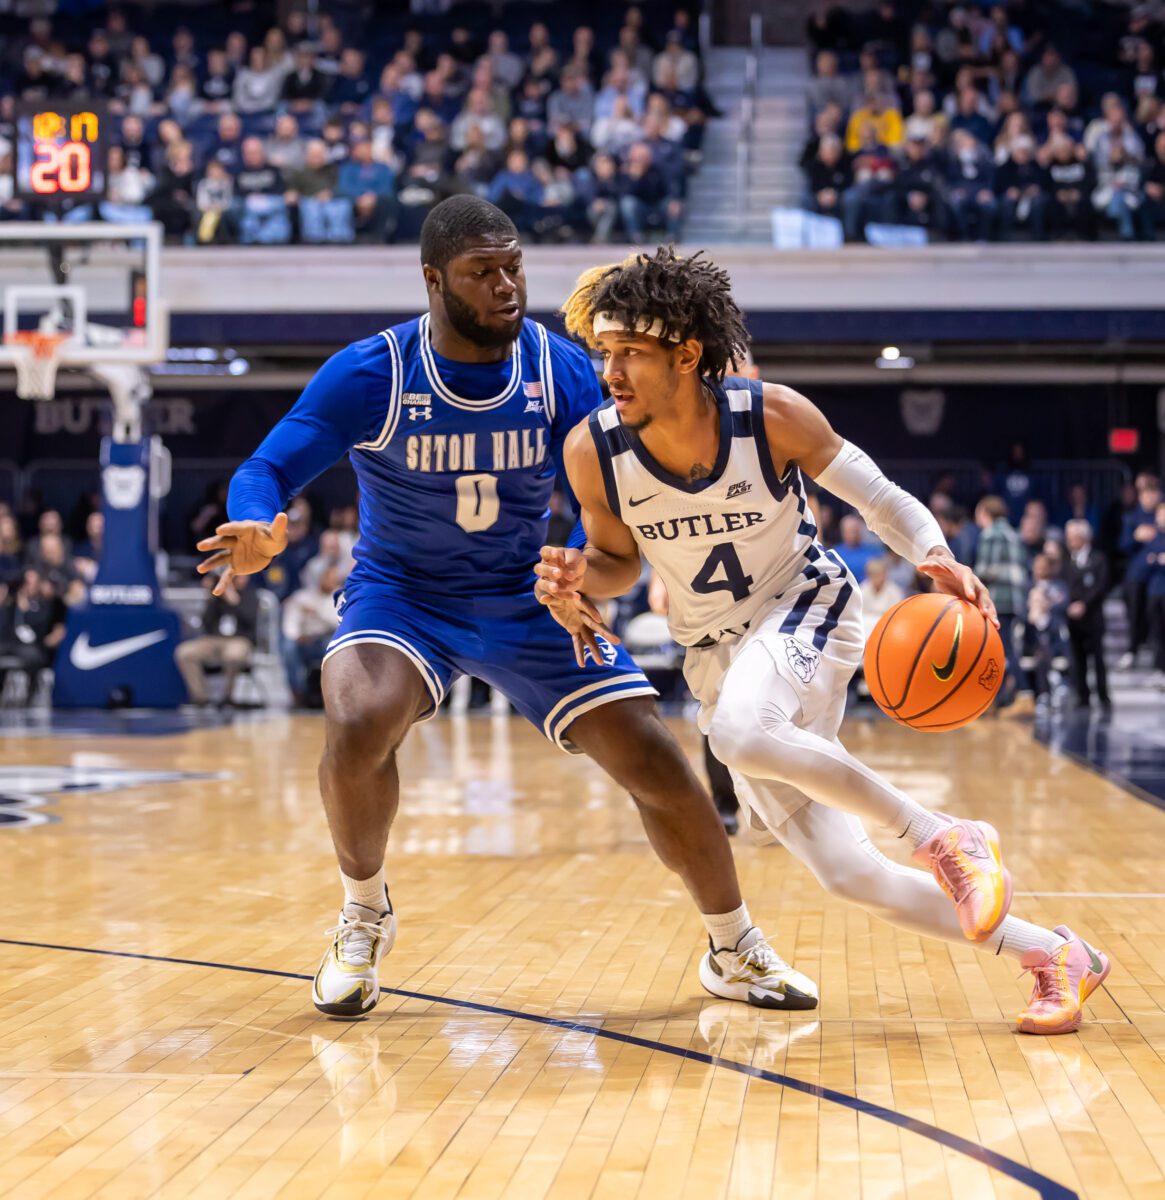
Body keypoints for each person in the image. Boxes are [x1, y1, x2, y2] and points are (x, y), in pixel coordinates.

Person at [195, 197, 805, 1019]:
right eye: (483, 273)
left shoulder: (558, 369)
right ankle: (362, 915)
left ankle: (732, 946)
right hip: (403, 596)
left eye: (513, 267)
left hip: (529, 597)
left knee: (657, 763)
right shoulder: (373, 372)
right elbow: (269, 466)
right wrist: (257, 524)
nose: (506, 286)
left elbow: (624, 481)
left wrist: (596, 571)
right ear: (434, 281)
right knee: (358, 713)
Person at [540, 247, 1112, 1036]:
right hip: (715, 654)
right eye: (604, 352)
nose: (610, 369)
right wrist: (575, 572)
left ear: (685, 354)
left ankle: (943, 836)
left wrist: (932, 553)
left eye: (629, 352)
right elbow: (616, 563)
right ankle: (1054, 956)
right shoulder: (591, 450)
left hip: (804, 605)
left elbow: (880, 498)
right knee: (849, 875)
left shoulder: (767, 414)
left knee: (743, 732)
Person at [175, 572, 260, 707]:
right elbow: (206, 623)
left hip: (239, 639)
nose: (244, 579)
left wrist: (234, 600)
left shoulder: (250, 595)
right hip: (214, 639)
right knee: (185, 652)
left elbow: (250, 621)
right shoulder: (218, 595)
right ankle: (200, 697)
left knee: (233, 655)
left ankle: (227, 697)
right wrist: (212, 595)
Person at [974, 496, 1027, 704]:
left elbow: (988, 570)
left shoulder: (991, 534)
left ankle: (1023, 692)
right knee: (1006, 648)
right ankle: (1004, 697)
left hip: (998, 599)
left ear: (986, 512)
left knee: (1002, 649)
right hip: (1014, 598)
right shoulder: (1013, 534)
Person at [1062, 519, 1110, 709]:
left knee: (1098, 659)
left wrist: (1084, 604)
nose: (1069, 541)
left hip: (1093, 617)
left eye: (1072, 537)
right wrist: (1070, 605)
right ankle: (1083, 696)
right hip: (1074, 620)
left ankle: (1103, 696)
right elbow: (1064, 587)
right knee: (1078, 658)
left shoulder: (1098, 559)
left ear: (1083, 537)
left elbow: (1101, 585)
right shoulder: (1067, 562)